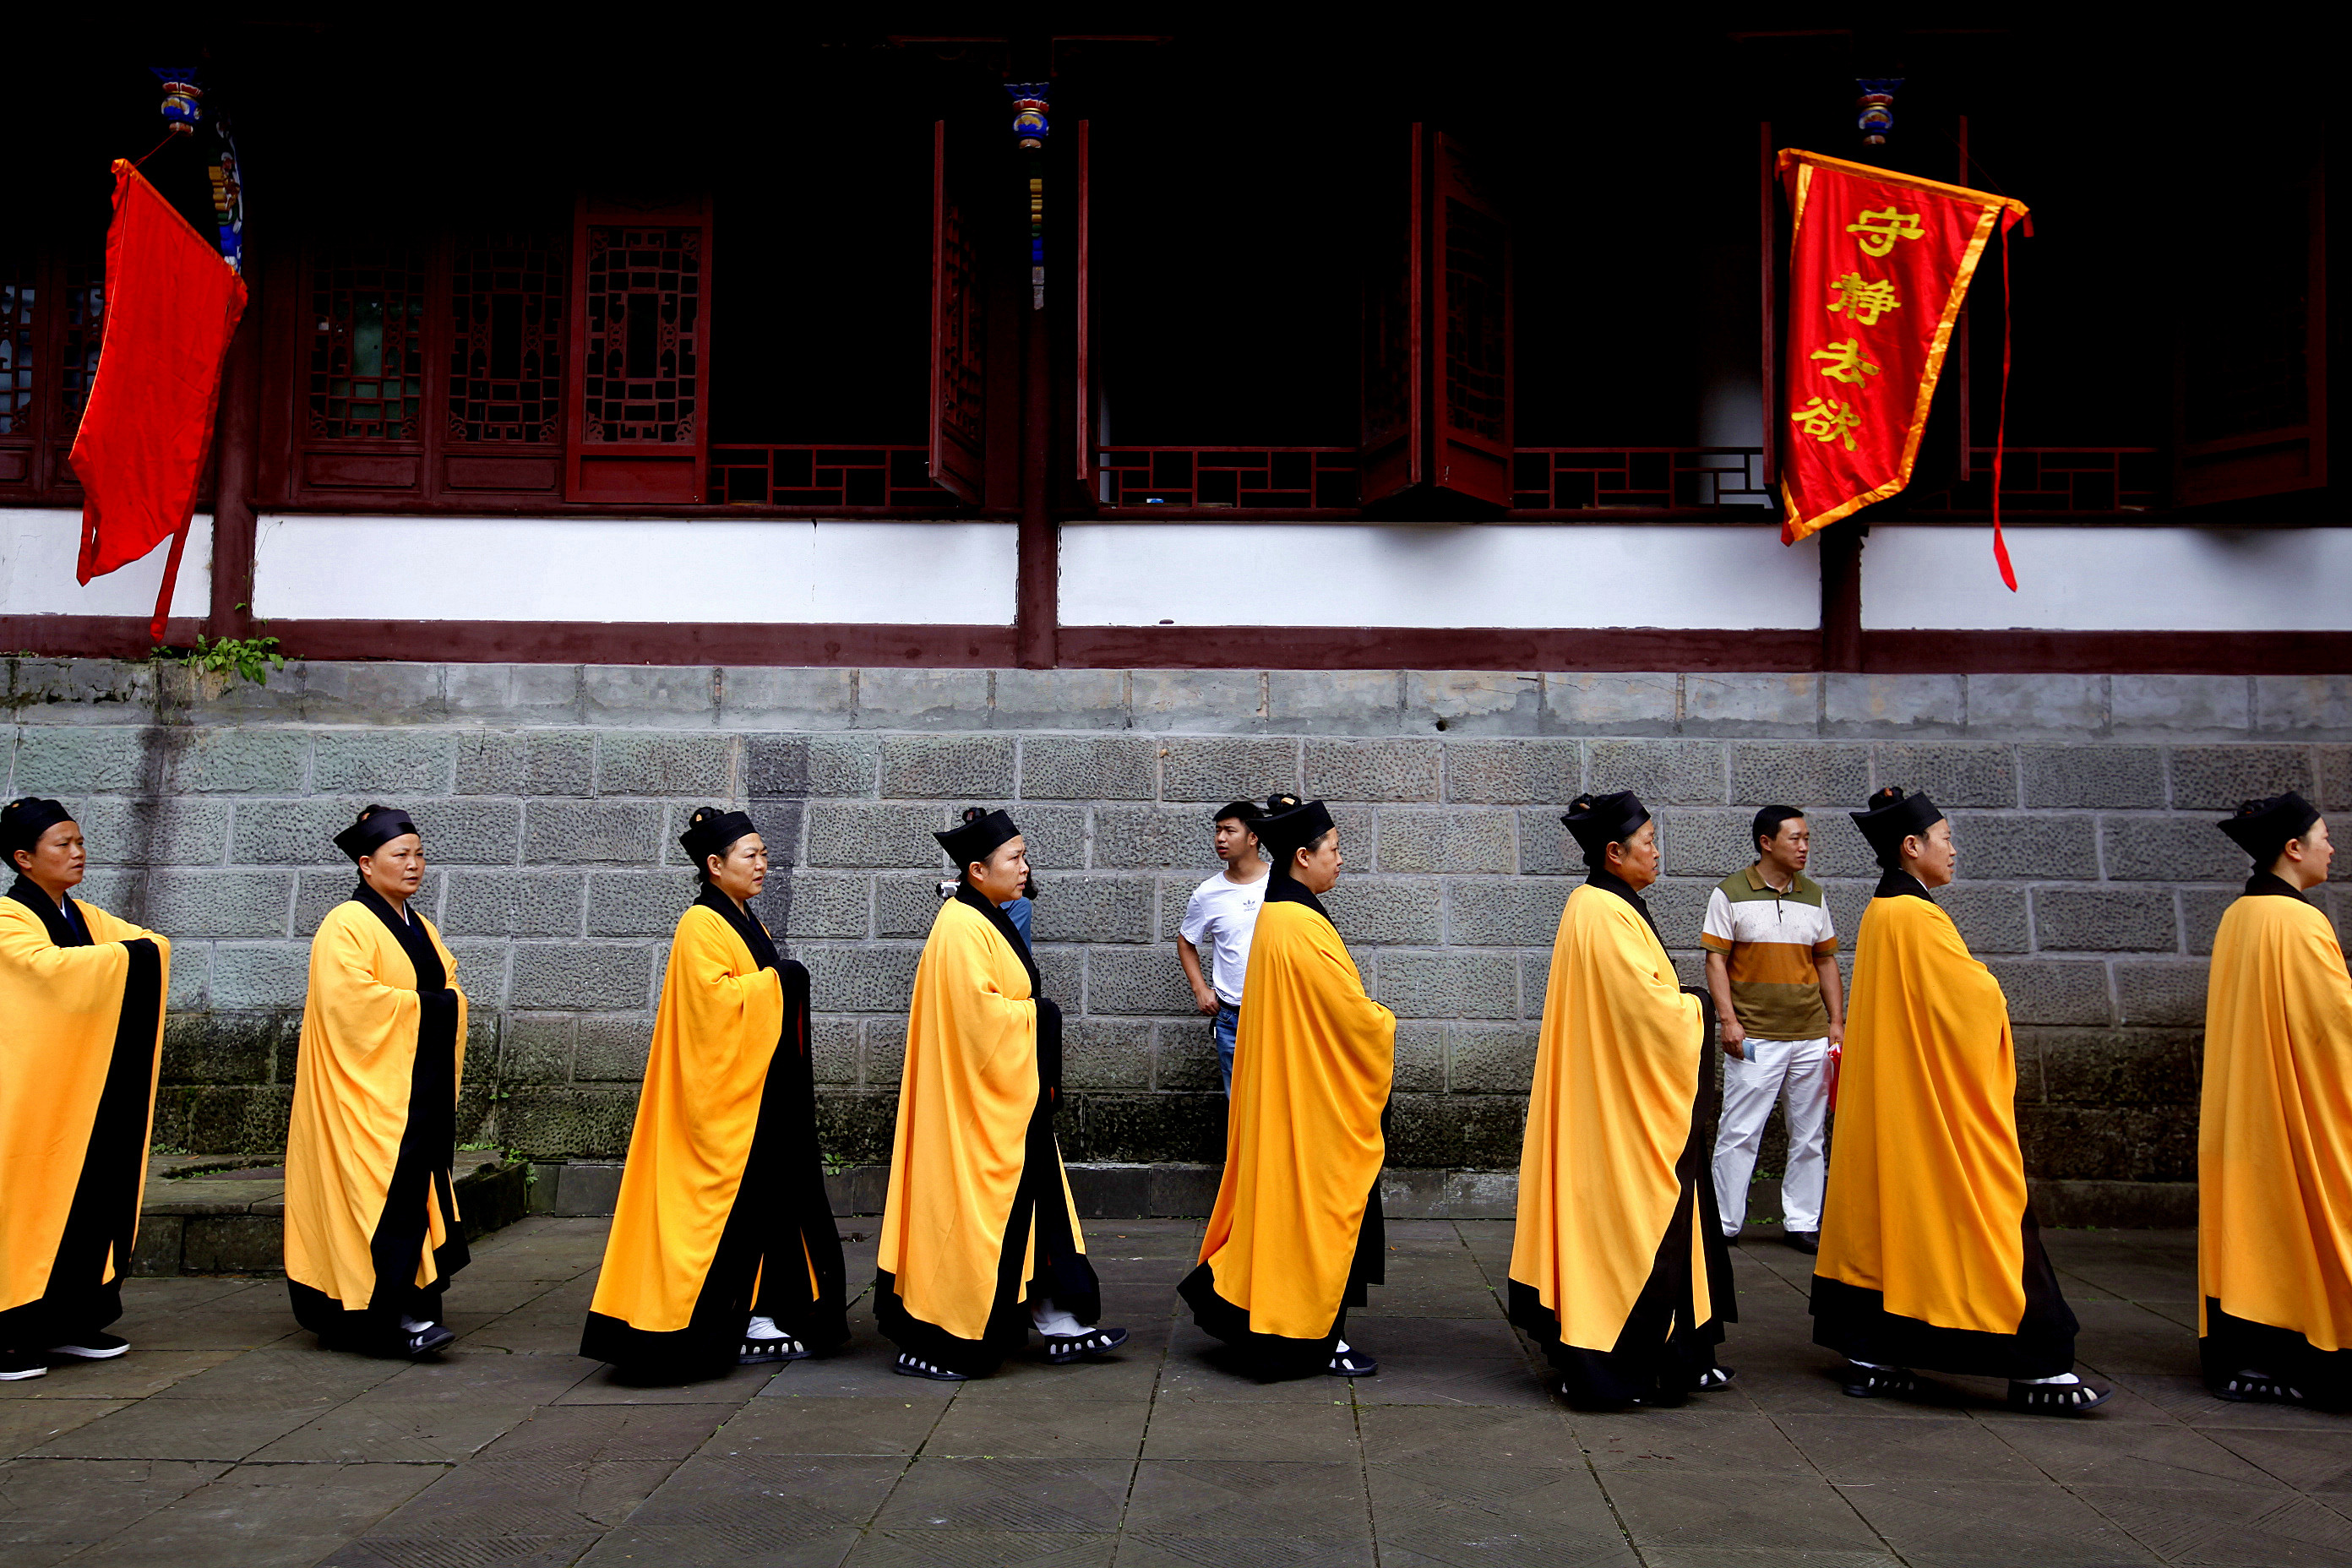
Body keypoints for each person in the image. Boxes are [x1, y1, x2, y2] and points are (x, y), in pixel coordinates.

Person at [1811, 787, 2109, 1414]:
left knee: (1883, 1221)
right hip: (1932, 1109)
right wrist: (1992, 992)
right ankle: (2035, 1362)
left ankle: (1871, 1351)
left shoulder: (1884, 912)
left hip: (1902, 1104)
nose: (1954, 849)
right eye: (1945, 838)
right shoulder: (1916, 918)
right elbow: (1969, 1006)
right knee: (1992, 1211)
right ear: (1911, 847)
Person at [582, 807, 849, 1380]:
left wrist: (775, 982)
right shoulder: (700, 925)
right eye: (749, 855)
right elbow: (714, 1010)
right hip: (725, 1101)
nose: (762, 864)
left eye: (762, 854)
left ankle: (761, 1310)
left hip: (757, 1092)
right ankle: (733, 1317)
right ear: (713, 864)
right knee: (733, 1213)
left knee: (773, 1207)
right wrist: (782, 980)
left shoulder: (747, 921)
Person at [876, 807, 1124, 1380]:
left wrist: (1034, 1020)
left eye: (1023, 855)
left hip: (1008, 1098)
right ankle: (947, 1336)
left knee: (1044, 1207)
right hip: (981, 1109)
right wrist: (1040, 1017)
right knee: (987, 1219)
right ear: (976, 869)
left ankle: (1062, 1319)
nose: (1024, 867)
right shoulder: (962, 928)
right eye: (1014, 858)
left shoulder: (985, 917)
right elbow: (979, 1022)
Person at [1509, 790, 1734, 1407]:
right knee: (1627, 1234)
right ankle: (1612, 1366)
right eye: (1649, 842)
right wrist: (1700, 1006)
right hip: (1616, 1114)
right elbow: (1646, 1013)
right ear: (1613, 852)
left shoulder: (1604, 906)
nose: (1657, 852)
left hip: (1610, 1101)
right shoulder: (1602, 913)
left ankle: (1670, 1357)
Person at [1180, 793, 1395, 1378]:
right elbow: (1350, 1018)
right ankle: (1316, 1333)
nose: (1341, 860)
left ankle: (1299, 1320)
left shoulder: (1278, 911)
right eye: (1335, 850)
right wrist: (1383, 1020)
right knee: (1324, 1214)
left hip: (1294, 1090)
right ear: (1303, 856)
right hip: (1314, 1104)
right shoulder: (1297, 922)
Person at [283, 804, 471, 1358]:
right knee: (375, 1199)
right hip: (360, 1095)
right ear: (366, 865)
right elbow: (352, 1005)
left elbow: (452, 989)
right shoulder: (347, 924)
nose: (414, 865)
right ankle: (378, 1317)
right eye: (400, 856)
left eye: (418, 854)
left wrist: (438, 1006)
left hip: (411, 1087)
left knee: (412, 1191)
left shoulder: (422, 927)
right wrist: (434, 1008)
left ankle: (410, 1308)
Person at [0, 798, 170, 1382]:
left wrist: (131, 956)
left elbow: (150, 943)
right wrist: (131, 957)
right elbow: (41, 971)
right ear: (24, 860)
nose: (78, 854)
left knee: (89, 1197)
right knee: (25, 1208)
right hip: (29, 1098)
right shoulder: (8, 918)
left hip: (82, 1095)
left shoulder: (85, 917)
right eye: (62, 845)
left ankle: (69, 1322)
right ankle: (10, 1332)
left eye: (79, 842)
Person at [2198, 792, 2352, 1407]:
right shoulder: (2299, 922)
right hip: (2296, 1113)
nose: (2332, 848)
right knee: (2306, 1224)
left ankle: (2247, 1359)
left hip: (2245, 1114)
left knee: (2252, 1227)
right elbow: (2332, 1025)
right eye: (2323, 837)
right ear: (2293, 849)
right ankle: (2312, 1351)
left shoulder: (2240, 916)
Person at [1703, 805, 1843, 1255]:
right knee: (1740, 1131)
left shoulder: (1814, 895)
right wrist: (1729, 1020)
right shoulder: (1729, 893)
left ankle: (1802, 1223)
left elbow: (1825, 960)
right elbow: (1716, 960)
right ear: (1766, 842)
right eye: (1794, 839)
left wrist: (1836, 1022)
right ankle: (1723, 1223)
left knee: (1809, 1134)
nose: (1804, 847)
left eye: (1806, 839)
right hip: (1755, 1036)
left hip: (1810, 1035)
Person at [1178, 801, 1269, 1094]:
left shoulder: (1281, 880)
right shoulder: (1208, 893)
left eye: (1230, 830)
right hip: (1232, 1016)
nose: (1220, 838)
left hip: (1277, 1012)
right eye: (1218, 831)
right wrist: (1200, 989)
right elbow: (1186, 940)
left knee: (1280, 1099)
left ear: (1253, 837)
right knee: (1240, 1103)